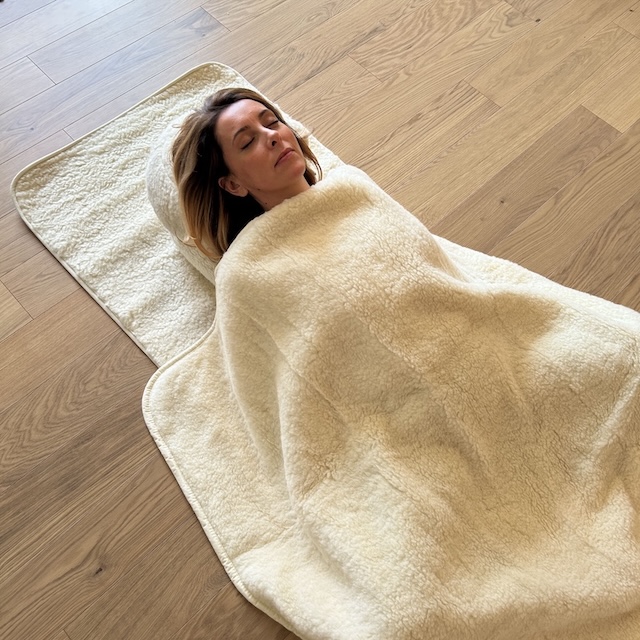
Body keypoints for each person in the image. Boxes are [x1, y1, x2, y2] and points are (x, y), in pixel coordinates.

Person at [172, 88, 323, 259]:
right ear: (233, 185)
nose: (273, 134)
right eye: (248, 142)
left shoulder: (346, 186)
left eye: (271, 122)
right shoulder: (250, 266)